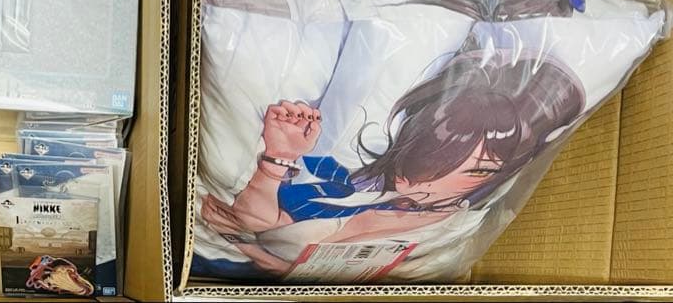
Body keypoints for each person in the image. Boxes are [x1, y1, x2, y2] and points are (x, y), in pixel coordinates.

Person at [197, 50, 585, 277]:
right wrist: (277, 159)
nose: (418, 178)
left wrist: (271, 260)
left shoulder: (449, 230)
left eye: (471, 167)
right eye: (429, 150)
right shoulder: (361, 185)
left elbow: (270, 238)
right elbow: (267, 225)